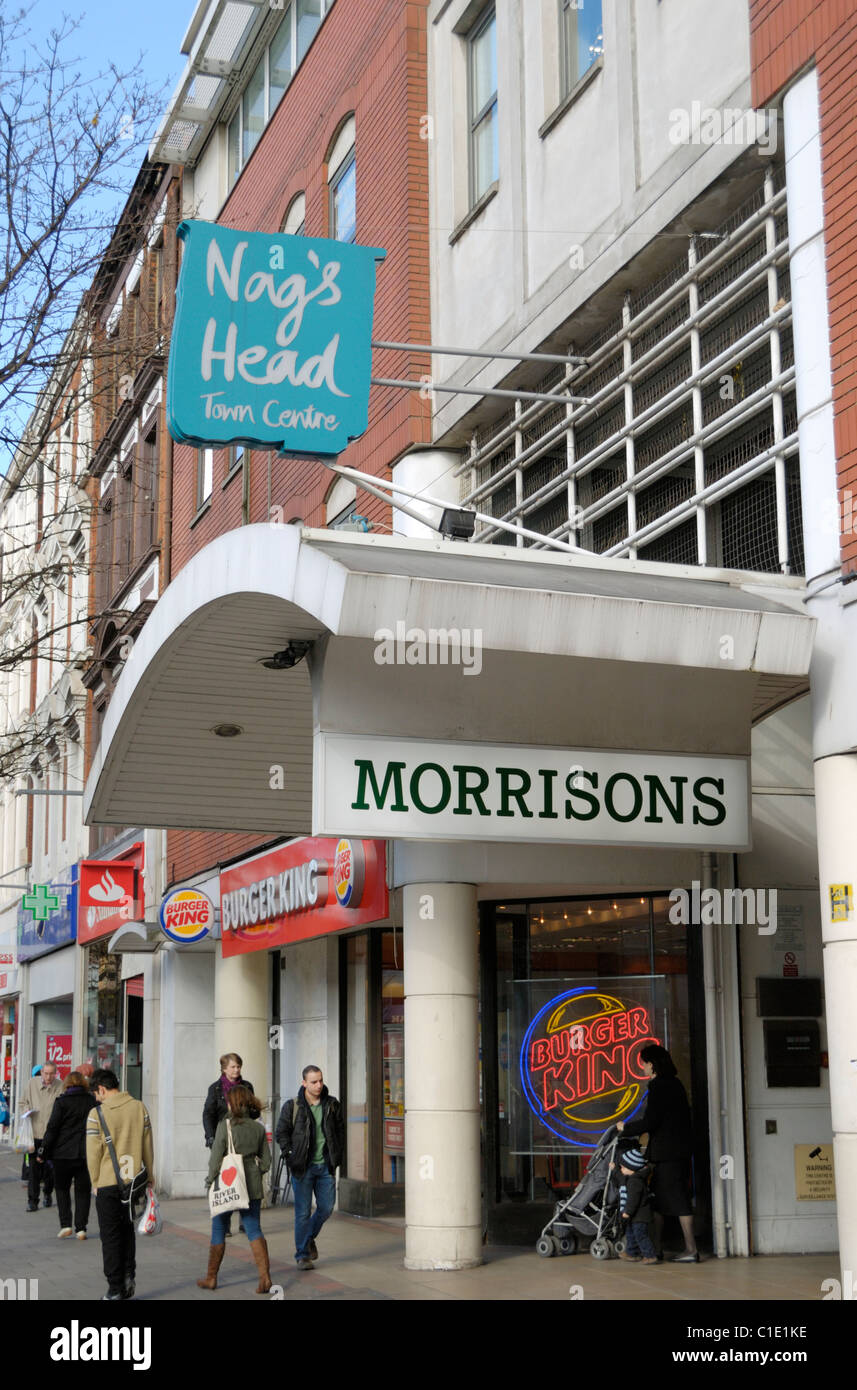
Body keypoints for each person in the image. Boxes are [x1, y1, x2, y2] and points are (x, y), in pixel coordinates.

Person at [618, 1042, 699, 1262]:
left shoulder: (659, 1087)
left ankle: (689, 1249)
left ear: (652, 1065)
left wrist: (626, 1128)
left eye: (644, 1064)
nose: (643, 1068)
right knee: (660, 1201)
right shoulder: (675, 1084)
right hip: (677, 1151)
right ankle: (653, 1249)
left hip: (667, 1154)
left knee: (674, 1200)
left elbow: (651, 1121)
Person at [86, 1067, 155, 1301]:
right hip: (134, 1182)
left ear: (102, 1089)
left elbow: (93, 1153)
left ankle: (114, 1287)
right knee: (127, 1230)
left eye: (97, 1093)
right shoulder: (139, 1107)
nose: (97, 1098)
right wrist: (150, 1175)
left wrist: (94, 1181)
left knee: (110, 1235)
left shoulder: (96, 1114)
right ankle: (128, 1275)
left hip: (107, 1182)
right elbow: (148, 1146)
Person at [199, 1083, 272, 1293]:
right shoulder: (258, 1128)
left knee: (219, 1230)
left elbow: (215, 1159)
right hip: (252, 1186)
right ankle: (265, 1278)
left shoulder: (226, 1125)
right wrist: (254, 1171)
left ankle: (211, 1278)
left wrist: (210, 1181)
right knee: (253, 1229)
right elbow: (266, 1161)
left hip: (227, 1185)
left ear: (232, 1103)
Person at [275, 1065, 344, 1271]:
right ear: (304, 1083)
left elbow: (340, 1131)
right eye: (314, 1082)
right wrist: (290, 1155)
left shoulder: (332, 1104)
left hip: (325, 1166)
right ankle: (302, 1255)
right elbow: (282, 1133)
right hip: (302, 1168)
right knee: (303, 1213)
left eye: (321, 1080)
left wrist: (337, 1156)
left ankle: (308, 1237)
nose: (319, 1085)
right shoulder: (292, 1106)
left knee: (326, 1208)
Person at [202, 1052, 260, 1237]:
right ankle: (225, 1222)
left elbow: (255, 1110)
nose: (236, 1070)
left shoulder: (246, 1086)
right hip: (223, 1137)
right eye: (233, 1066)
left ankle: (245, 1220)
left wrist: (248, 1123)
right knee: (225, 1178)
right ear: (224, 1068)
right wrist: (211, 1137)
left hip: (243, 1136)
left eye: (238, 1066)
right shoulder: (216, 1088)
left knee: (244, 1177)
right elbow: (208, 1113)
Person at [42, 1070, 97, 1239]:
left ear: (67, 1084)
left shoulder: (62, 1102)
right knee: (83, 1191)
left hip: (62, 1154)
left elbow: (53, 1128)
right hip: (85, 1153)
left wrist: (44, 1149)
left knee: (61, 1189)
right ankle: (81, 1228)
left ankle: (65, 1225)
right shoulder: (91, 1101)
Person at [19, 1060, 62, 1212]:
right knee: (34, 1170)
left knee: (49, 1169)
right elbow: (22, 1102)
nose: (48, 1077)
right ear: (41, 1072)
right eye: (46, 1073)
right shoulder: (32, 1084)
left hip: (51, 1136)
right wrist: (26, 1111)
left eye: (51, 1074)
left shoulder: (60, 1086)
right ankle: (32, 1201)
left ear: (55, 1073)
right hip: (35, 1133)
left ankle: (48, 1193)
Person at [615, 1147, 658, 1265]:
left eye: (623, 1167)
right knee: (630, 1234)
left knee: (640, 1235)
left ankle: (650, 1255)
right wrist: (614, 1169)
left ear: (632, 1169)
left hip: (640, 1215)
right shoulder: (632, 1178)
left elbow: (633, 1200)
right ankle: (632, 1253)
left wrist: (627, 1211)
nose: (621, 1169)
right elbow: (620, 1175)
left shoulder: (635, 1182)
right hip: (635, 1216)